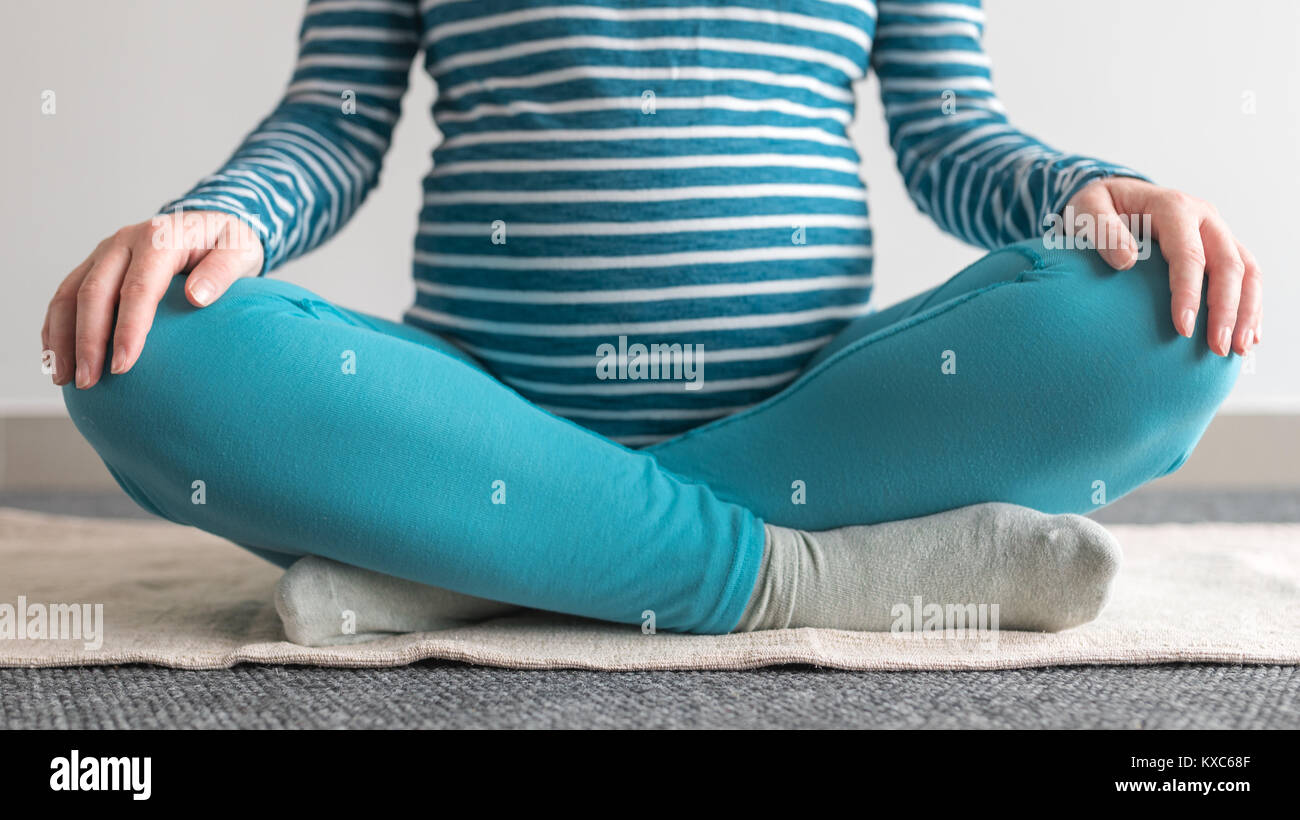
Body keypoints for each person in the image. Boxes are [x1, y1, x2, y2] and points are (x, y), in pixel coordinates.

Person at [46, 0, 1257, 644]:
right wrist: (225, 218)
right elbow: (334, 117)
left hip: (813, 419)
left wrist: (1081, 193)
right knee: (140, 344)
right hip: (478, 412)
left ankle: (483, 564)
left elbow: (951, 132)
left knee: (1160, 317)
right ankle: (794, 578)